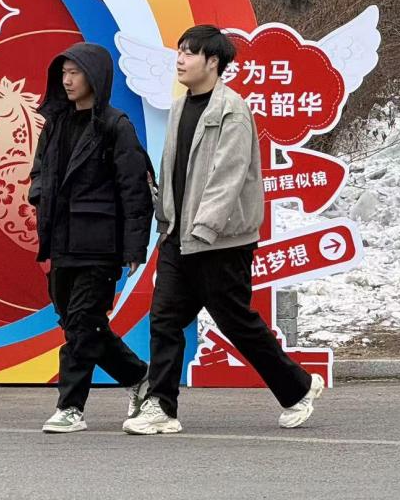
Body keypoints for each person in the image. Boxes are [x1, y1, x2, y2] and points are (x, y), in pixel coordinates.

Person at [124, 25, 323, 435]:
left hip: (221, 240)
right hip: (180, 237)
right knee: (164, 318)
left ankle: (299, 388)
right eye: (179, 51)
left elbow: (227, 177)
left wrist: (204, 229)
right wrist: (168, 220)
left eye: (189, 52)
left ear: (213, 62)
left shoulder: (232, 110)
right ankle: (161, 407)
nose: (180, 59)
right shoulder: (180, 106)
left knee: (236, 323)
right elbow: (173, 169)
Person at [29, 42, 153, 433]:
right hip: (61, 241)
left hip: (100, 245)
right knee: (79, 325)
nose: (67, 81)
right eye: (63, 73)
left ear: (94, 77)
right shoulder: (56, 124)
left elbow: (134, 190)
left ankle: (70, 407)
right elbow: (39, 171)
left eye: (75, 73)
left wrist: (134, 247)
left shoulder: (116, 125)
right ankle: (139, 376)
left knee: (83, 322)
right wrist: (39, 196)